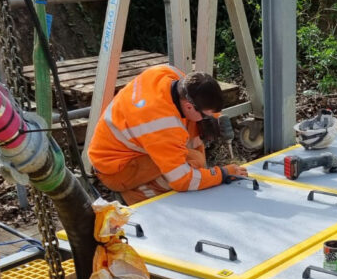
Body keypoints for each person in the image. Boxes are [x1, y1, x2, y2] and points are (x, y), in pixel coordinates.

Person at [88, 65, 248, 205]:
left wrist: (210, 119)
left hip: (126, 146)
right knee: (193, 163)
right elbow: (183, 181)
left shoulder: (170, 75)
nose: (209, 119)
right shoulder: (161, 123)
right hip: (116, 169)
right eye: (206, 115)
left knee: (196, 157)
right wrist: (222, 174)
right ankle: (139, 192)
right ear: (189, 107)